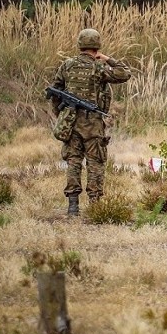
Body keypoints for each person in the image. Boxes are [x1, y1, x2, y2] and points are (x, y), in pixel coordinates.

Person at [49, 28, 132, 216]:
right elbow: (124, 73)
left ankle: (73, 206)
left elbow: (55, 91)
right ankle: (95, 204)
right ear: (97, 46)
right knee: (95, 162)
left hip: (70, 122)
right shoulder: (98, 67)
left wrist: (61, 114)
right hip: (93, 123)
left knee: (73, 161)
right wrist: (107, 59)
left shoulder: (67, 65)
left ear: (80, 44)